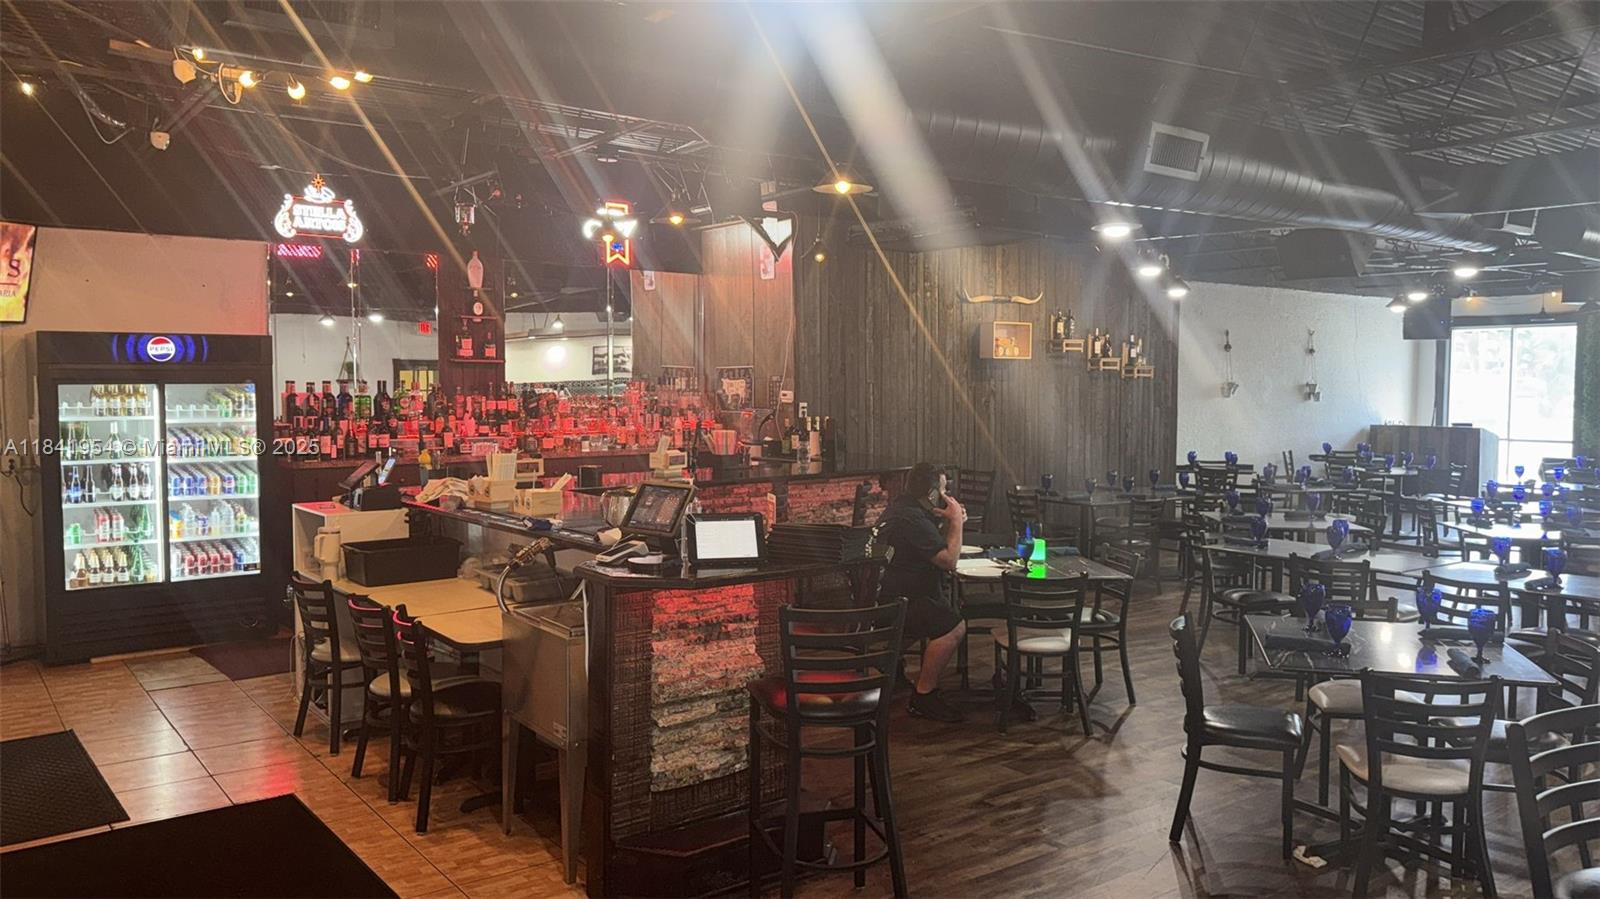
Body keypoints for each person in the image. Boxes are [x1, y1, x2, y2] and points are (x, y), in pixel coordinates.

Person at [875, 462, 967, 723]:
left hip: (886, 593)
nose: (946, 495)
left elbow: (931, 546)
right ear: (931, 493)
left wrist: (949, 522)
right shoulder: (913, 519)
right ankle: (924, 696)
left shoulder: (903, 507)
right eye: (943, 490)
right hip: (902, 599)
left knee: (932, 613)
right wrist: (956, 522)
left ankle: (889, 666)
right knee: (953, 627)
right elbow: (949, 560)